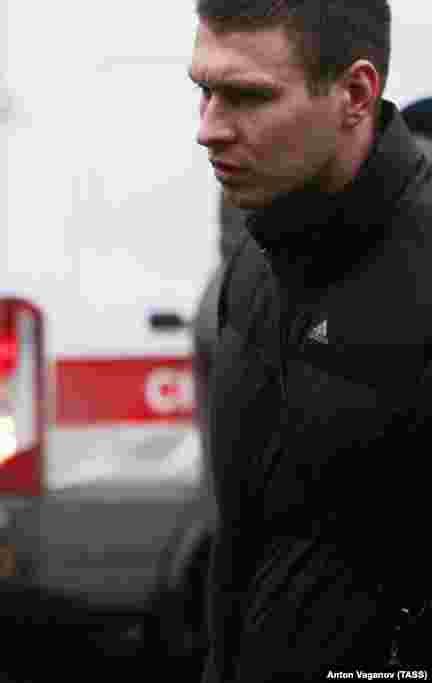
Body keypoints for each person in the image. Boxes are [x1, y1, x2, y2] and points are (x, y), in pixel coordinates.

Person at [189, 1, 432, 680]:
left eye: (247, 96)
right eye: (203, 91)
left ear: (355, 93)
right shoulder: (250, 272)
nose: (208, 129)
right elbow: (239, 554)